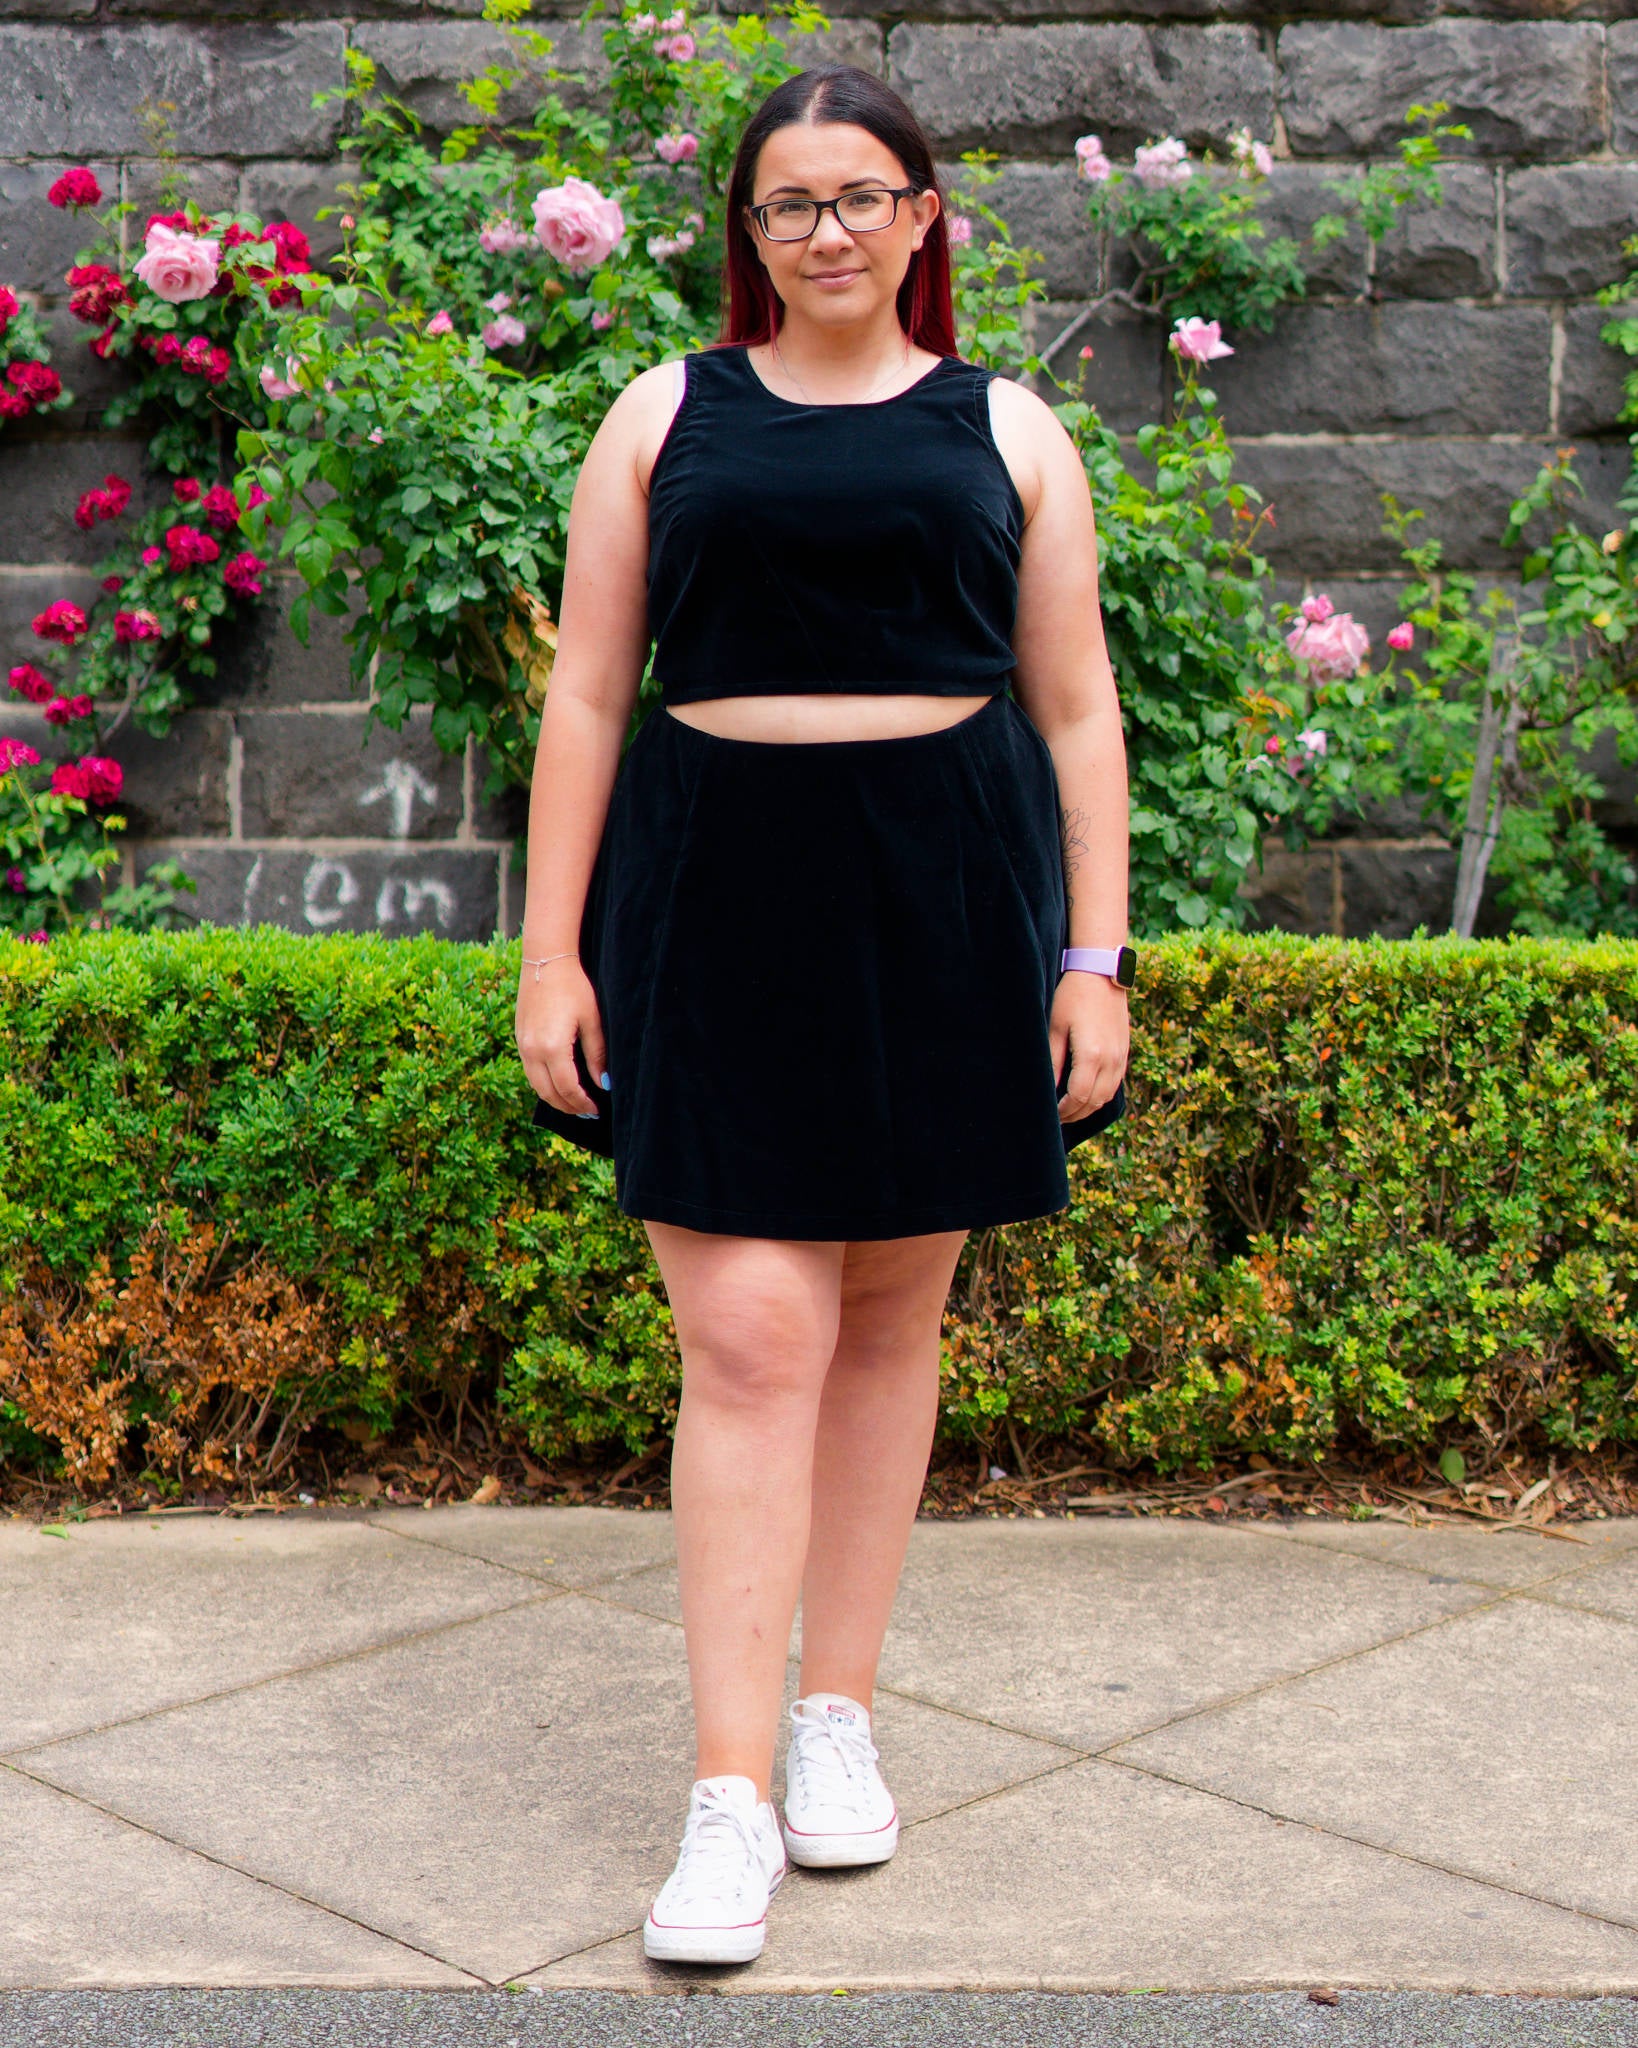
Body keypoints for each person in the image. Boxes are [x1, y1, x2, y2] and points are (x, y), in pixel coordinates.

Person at [514, 63, 1133, 1968]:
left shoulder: (1009, 427)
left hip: (944, 899)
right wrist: (551, 953)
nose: (828, 232)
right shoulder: (660, 414)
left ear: (923, 212)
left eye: (861, 196)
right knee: (753, 1339)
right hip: (712, 897)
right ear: (750, 234)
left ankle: (835, 1715)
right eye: (789, 205)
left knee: (885, 1326)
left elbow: (1080, 713)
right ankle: (729, 1799)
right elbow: (589, 700)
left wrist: (1092, 958)